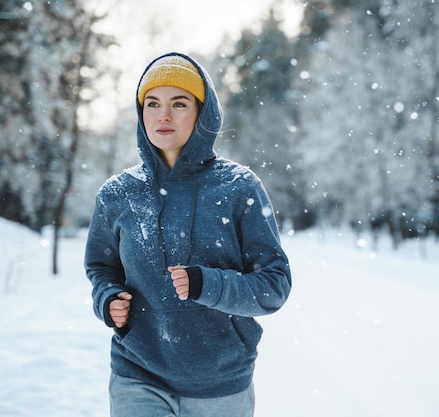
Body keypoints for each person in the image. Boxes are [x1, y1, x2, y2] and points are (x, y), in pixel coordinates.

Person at [84, 52, 292, 417]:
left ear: (202, 113)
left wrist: (207, 285)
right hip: (138, 374)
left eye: (178, 103)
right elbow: (101, 267)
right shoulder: (117, 194)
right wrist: (107, 298)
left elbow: (274, 286)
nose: (163, 115)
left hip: (220, 383)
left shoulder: (239, 188)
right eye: (153, 103)